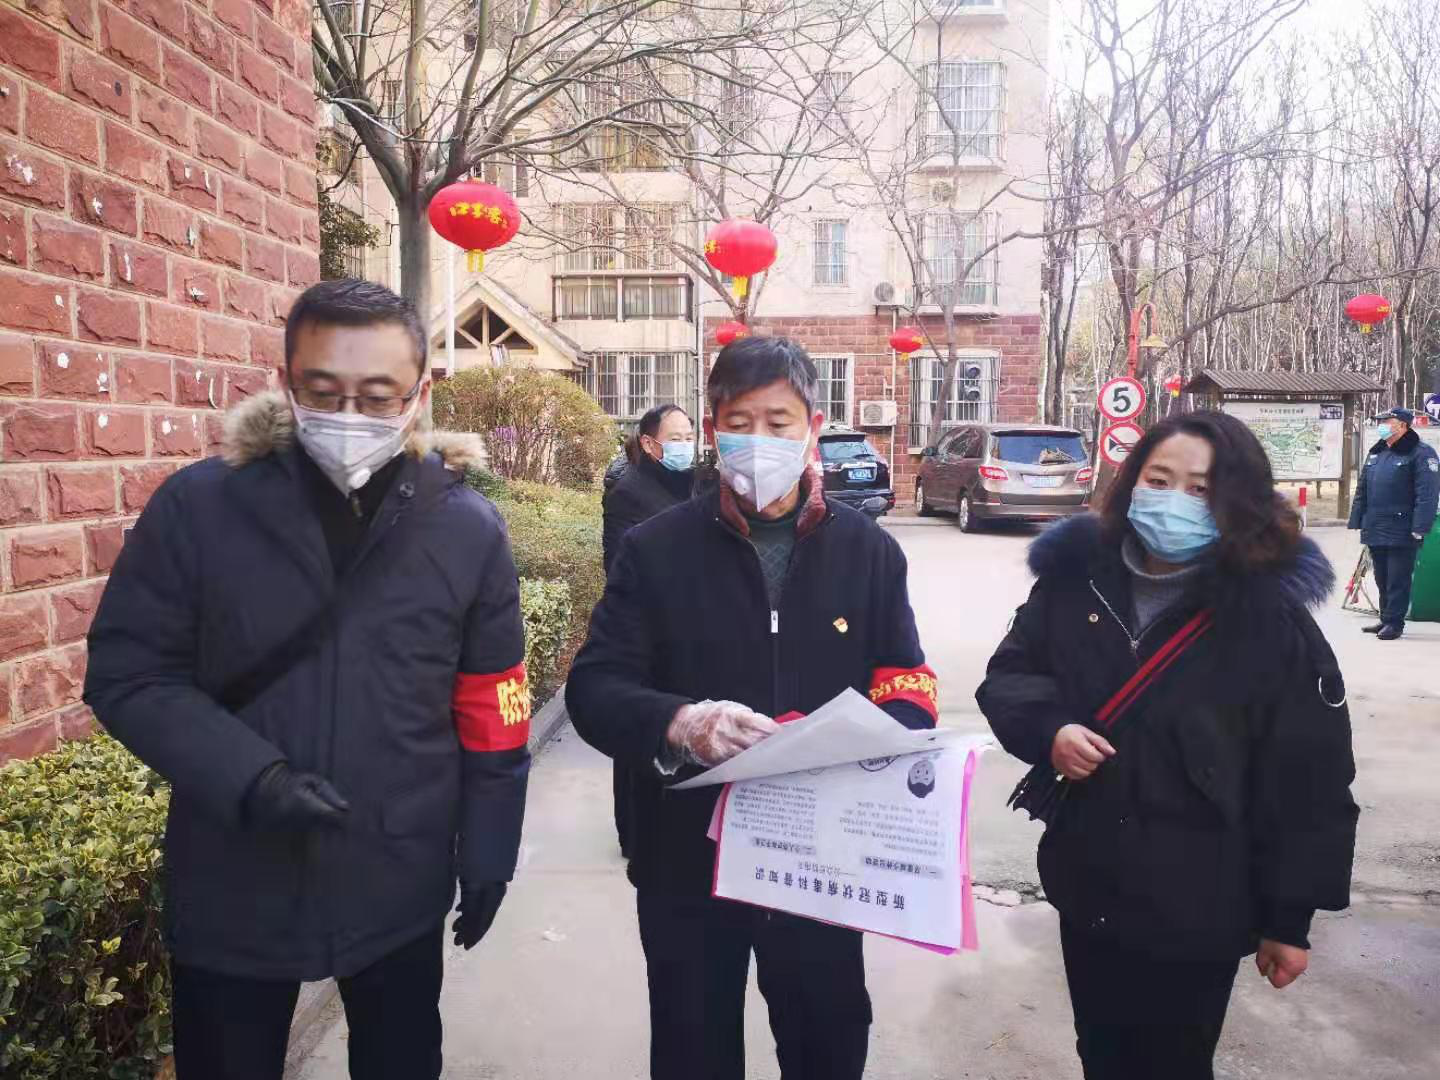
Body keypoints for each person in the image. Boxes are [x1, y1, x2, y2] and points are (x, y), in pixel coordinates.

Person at [83, 279, 532, 1080]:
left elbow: (493, 705)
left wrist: (490, 849)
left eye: (378, 396)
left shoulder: (465, 528)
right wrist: (252, 778)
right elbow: (130, 674)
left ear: (419, 395)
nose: (349, 416)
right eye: (323, 392)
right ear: (286, 383)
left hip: (397, 872)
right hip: (233, 872)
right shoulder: (199, 509)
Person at [566, 336, 938, 1080]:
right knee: (693, 1046)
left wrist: (875, 733)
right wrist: (680, 724)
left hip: (821, 858)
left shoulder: (867, 551)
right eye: (740, 422)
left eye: (778, 421)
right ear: (713, 429)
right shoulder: (655, 549)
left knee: (828, 1040)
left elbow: (908, 680)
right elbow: (596, 687)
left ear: (813, 426)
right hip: (686, 855)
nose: (758, 440)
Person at [977, 410, 1358, 1080]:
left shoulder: (1270, 619)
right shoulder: (1075, 579)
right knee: (1101, 1053)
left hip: (1202, 902)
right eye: (1159, 480)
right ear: (1132, 482)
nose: (1174, 501)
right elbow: (1011, 675)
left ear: (1237, 503)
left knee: (1174, 1063)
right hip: (1090, 882)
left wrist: (1288, 919)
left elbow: (1310, 782)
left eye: (1201, 490)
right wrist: (1050, 729)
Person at [603, 403, 697, 857]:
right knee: (641, 733)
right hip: (646, 633)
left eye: (689, 437)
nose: (685, 446)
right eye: (676, 439)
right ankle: (632, 830)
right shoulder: (629, 493)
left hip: (692, 631)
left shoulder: (697, 485)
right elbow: (618, 567)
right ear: (649, 443)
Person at [1348, 406, 1438, 640]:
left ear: (1403, 426)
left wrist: (1420, 527)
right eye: (1381, 421)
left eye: (1387, 421)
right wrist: (1357, 518)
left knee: (1398, 578)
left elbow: (1427, 494)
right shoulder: (1377, 452)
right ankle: (1386, 618)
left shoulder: (1421, 453)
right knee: (1382, 577)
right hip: (1375, 525)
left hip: (1403, 528)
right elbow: (1362, 488)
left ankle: (1395, 623)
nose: (1382, 425)